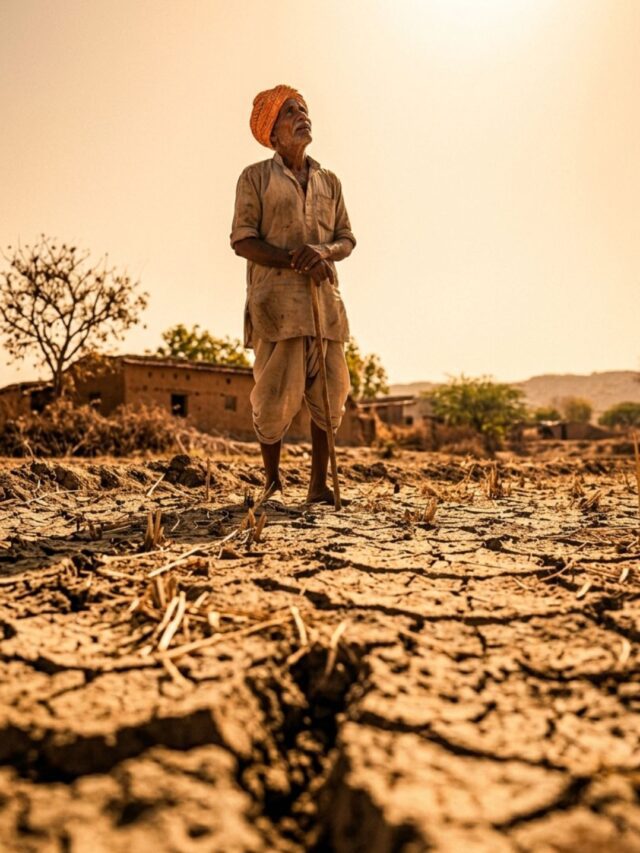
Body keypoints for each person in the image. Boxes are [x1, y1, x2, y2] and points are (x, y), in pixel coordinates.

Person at [230, 84, 356, 503]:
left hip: (324, 303)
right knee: (274, 397)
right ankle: (272, 483)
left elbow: (346, 239)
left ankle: (318, 486)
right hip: (276, 305)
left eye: (303, 109)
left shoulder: (329, 181)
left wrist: (322, 252)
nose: (302, 116)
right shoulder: (255, 178)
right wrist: (295, 259)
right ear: (272, 133)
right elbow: (242, 241)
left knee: (330, 395)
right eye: (290, 112)